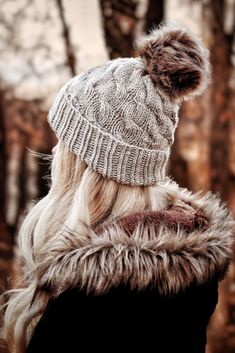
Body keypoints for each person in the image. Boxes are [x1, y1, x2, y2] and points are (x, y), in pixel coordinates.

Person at [2, 23, 234, 353]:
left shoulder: (88, 302)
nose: (55, 152)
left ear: (93, 169)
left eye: (65, 142)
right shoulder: (186, 275)